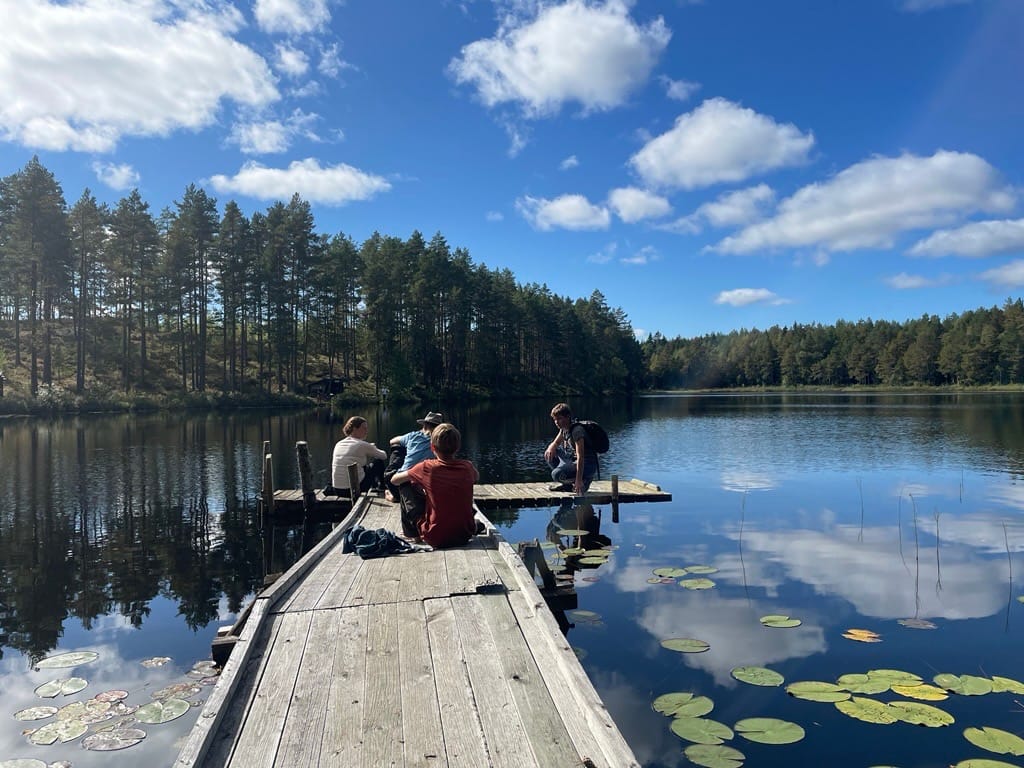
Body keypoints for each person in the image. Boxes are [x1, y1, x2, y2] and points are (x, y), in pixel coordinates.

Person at [391, 422, 479, 548]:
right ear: (458, 447)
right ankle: (470, 524)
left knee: (405, 485)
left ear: (432, 447)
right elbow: (476, 478)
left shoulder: (426, 467)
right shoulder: (467, 467)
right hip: (465, 534)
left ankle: (413, 534)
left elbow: (394, 480)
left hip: (435, 537)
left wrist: (417, 483)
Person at [382, 411, 442, 501]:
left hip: (400, 480)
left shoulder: (414, 436)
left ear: (424, 425)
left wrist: (410, 446)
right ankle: (397, 496)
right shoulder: (441, 442)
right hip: (425, 483)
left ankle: (395, 496)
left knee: (397, 447)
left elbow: (392, 441)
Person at [543, 402, 598, 494]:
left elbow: (581, 457)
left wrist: (578, 480)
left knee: (556, 474)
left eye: (559, 419)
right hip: (574, 460)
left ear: (568, 417)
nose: (556, 422)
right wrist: (550, 447)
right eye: (555, 419)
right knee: (549, 454)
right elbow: (556, 443)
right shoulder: (564, 429)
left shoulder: (577, 431)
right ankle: (567, 485)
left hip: (588, 465)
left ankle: (583, 481)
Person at [327, 416, 387, 496]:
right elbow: (384, 456)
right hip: (355, 489)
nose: (366, 431)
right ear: (355, 429)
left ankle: (374, 486)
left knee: (363, 467)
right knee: (378, 462)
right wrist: (373, 448)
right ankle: (381, 487)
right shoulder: (361, 444)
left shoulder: (339, 444)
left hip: (337, 490)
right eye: (364, 428)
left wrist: (369, 448)